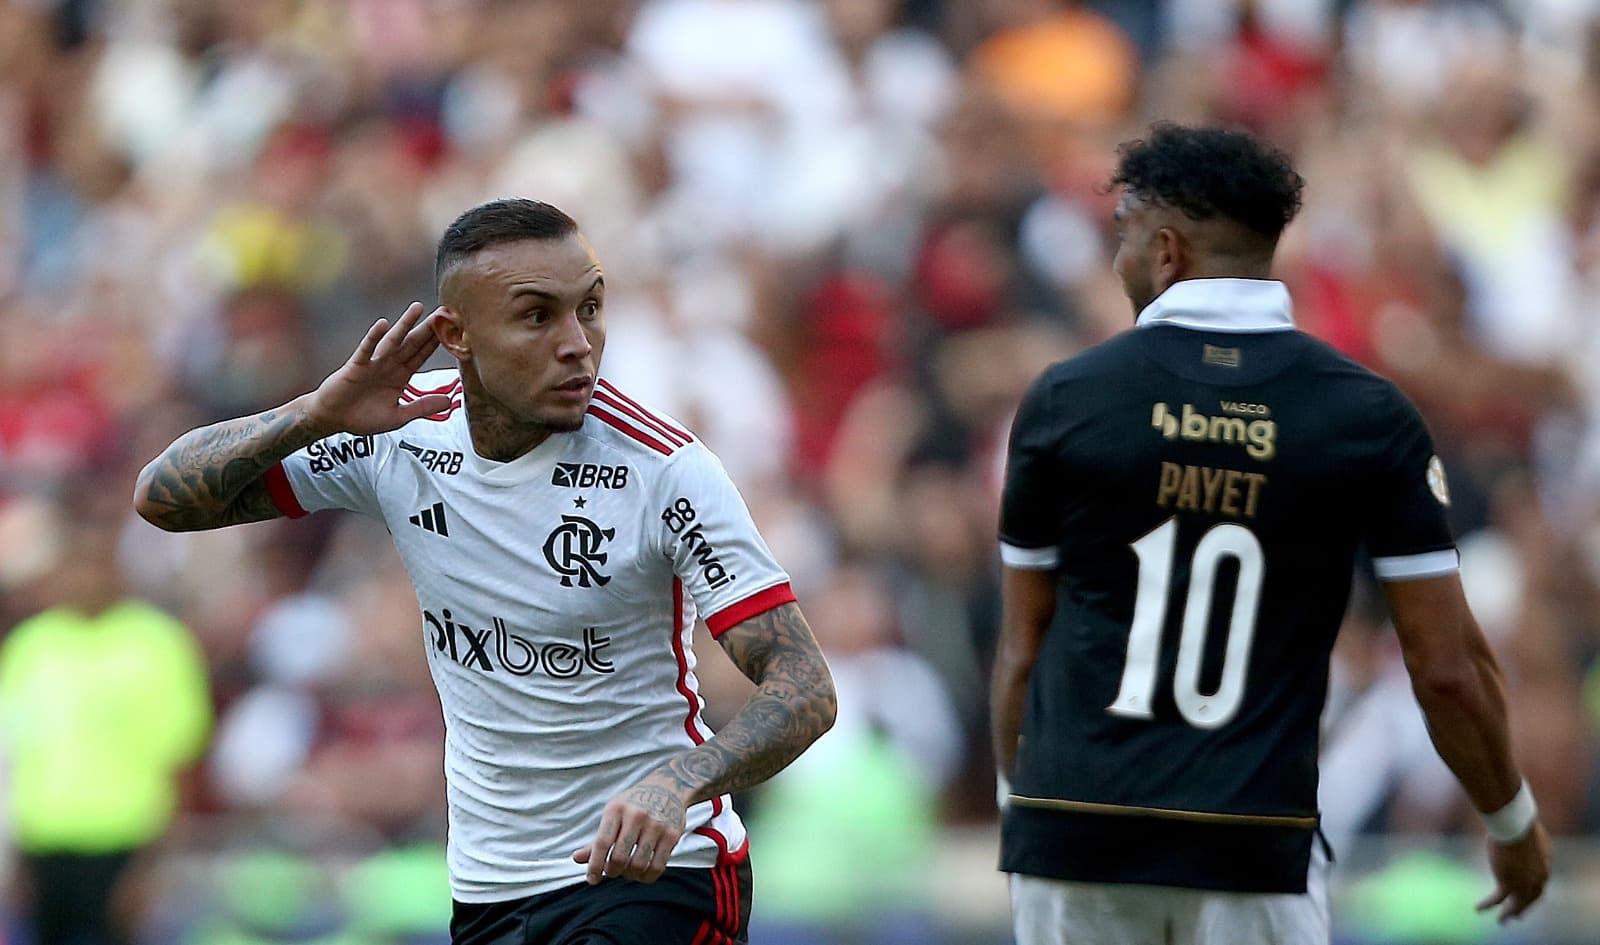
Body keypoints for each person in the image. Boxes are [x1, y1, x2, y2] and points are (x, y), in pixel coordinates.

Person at [133, 198, 837, 945]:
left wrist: (681, 780)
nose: (578, 344)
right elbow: (164, 499)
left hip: (656, 874)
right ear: (455, 335)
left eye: (590, 309)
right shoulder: (400, 433)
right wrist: (314, 414)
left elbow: (805, 687)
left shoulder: (664, 470)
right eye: (537, 317)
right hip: (491, 887)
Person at [989, 124, 1550, 945]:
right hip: (1254, 842)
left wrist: (1023, 809)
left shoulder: (1065, 400)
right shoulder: (1365, 415)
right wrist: (1511, 821)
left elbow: (1022, 648)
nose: (1116, 263)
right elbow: (1446, 668)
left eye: (1124, 239)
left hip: (1072, 832)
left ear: (1167, 252)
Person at [1, 494, 212, 945]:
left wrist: (152, 868)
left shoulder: (158, 644)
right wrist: (15, 858)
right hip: (44, 843)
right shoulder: (31, 645)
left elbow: (182, 759)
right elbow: (16, 756)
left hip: (125, 843)